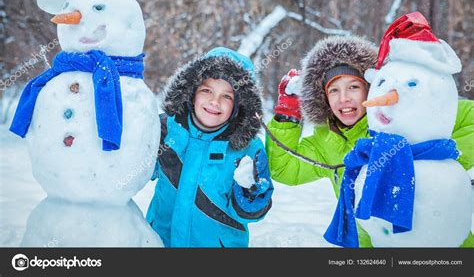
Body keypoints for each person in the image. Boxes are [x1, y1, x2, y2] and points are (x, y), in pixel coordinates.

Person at [265, 35, 473, 247]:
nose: (344, 98)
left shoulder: (401, 117)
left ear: (371, 88)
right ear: (324, 99)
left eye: (353, 87)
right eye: (333, 90)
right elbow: (284, 168)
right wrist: (287, 115)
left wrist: (438, 158)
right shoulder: (326, 143)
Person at [146, 47, 273, 247]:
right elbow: (131, 168)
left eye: (227, 96)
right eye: (207, 90)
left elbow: (254, 211)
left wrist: (250, 192)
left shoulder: (248, 149)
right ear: (192, 92)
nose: (215, 101)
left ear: (238, 105)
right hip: (160, 241)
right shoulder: (165, 128)